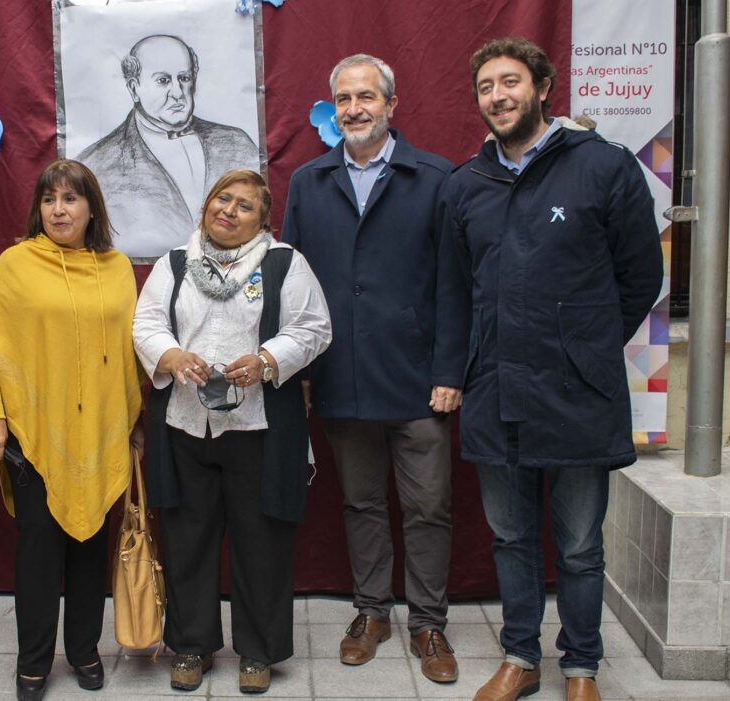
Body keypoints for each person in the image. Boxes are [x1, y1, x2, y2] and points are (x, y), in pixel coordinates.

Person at [439, 37, 663, 701]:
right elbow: (454, 292)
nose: (497, 97)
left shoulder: (603, 167)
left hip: (577, 394)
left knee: (579, 546)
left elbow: (640, 275)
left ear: (541, 86)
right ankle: (519, 656)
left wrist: (584, 345)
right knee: (511, 538)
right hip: (495, 390)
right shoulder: (466, 184)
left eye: (509, 82)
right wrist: (461, 368)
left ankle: (581, 667)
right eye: (485, 87)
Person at [281, 54, 466, 682]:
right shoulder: (308, 182)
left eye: (366, 96)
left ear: (391, 104)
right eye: (343, 99)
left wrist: (451, 370)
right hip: (340, 377)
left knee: (428, 508)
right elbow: (293, 288)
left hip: (420, 381)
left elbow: (455, 285)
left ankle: (429, 623)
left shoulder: (437, 178)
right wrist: (300, 371)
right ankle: (372, 611)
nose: (354, 108)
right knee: (361, 503)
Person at [134, 169, 332, 694]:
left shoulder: (285, 263)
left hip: (258, 428)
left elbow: (314, 328)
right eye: (223, 198)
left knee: (260, 541)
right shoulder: (173, 263)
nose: (230, 210)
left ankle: (258, 651)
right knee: (188, 539)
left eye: (246, 206)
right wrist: (171, 355)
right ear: (206, 205)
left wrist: (268, 359)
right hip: (184, 425)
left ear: (263, 220)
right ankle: (192, 645)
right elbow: (146, 323)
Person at [0, 160, 143, 701]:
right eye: (49, 200)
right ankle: (34, 661)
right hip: (34, 435)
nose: (59, 210)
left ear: (93, 208)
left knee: (91, 547)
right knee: (40, 553)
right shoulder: (15, 265)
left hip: (101, 438)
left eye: (70, 199)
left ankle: (85, 651)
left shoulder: (115, 268)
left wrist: (131, 423)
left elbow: (132, 351)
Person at [78, 34, 259, 258]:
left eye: (184, 78)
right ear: (134, 89)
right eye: (163, 80)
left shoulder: (238, 145)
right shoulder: (95, 165)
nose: (177, 92)